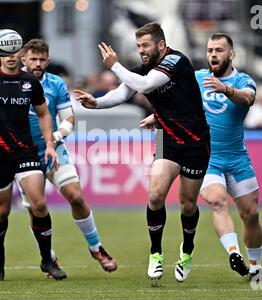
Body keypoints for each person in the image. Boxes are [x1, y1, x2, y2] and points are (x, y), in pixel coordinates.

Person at [75, 22, 210, 283]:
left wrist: (114, 65)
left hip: (195, 142)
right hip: (165, 138)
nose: (141, 51)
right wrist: (97, 103)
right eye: (138, 46)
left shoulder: (175, 61)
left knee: (188, 203)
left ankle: (187, 250)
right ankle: (156, 253)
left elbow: (146, 85)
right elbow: (123, 92)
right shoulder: (144, 69)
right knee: (156, 194)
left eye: (145, 45)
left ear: (160, 44)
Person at [0, 47, 67, 281]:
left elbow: (44, 114)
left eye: (14, 52)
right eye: (5, 52)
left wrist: (49, 144)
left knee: (39, 205)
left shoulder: (30, 82)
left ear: (20, 56)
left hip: (25, 152)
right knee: (1, 211)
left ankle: (47, 260)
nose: (10, 56)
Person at [18, 39, 117, 277]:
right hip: (23, 154)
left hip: (53, 149)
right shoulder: (12, 83)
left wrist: (55, 136)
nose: (38, 64)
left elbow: (69, 118)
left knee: (76, 196)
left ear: (48, 61)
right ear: (24, 59)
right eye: (33, 59)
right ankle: (49, 258)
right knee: (36, 208)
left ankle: (96, 248)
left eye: (42, 59)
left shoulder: (55, 83)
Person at [194, 33, 262, 282]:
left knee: (250, 214)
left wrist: (226, 89)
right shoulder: (197, 78)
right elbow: (178, 105)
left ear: (231, 55)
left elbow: (247, 99)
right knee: (217, 201)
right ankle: (234, 255)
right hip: (207, 158)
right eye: (210, 50)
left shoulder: (244, 80)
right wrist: (158, 118)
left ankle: (256, 268)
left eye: (219, 50)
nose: (213, 55)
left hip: (237, 159)